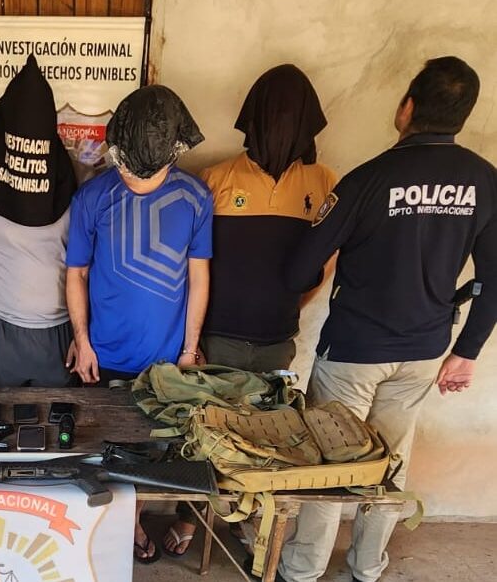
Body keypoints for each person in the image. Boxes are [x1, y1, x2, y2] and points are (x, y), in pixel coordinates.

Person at [276, 57, 496, 582]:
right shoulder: (485, 182)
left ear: (407, 107)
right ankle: (367, 566)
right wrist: (466, 352)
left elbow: (297, 270)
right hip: (424, 350)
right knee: (390, 461)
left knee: (331, 461)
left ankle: (303, 569)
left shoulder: (368, 180)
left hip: (353, 350)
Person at [164, 64, 338, 555]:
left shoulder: (323, 182)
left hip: (277, 339)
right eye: (272, 117)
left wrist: (288, 305)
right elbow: (193, 265)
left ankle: (247, 521)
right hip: (218, 337)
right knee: (205, 435)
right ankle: (191, 518)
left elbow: (325, 262)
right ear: (253, 120)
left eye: (291, 118)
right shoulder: (216, 179)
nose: (280, 129)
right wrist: (193, 340)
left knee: (267, 439)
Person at [65, 84, 213, 564]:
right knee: (105, 454)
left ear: (174, 151)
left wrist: (189, 350)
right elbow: (77, 273)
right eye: (128, 167)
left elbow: (198, 275)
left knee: (153, 455)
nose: (136, 178)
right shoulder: (93, 196)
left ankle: (132, 523)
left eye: (148, 170)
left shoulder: (195, 197)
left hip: (166, 363)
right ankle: (117, 530)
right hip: (104, 355)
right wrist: (82, 340)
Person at [0, 55, 78, 387]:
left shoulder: (73, 182)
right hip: (0, 331)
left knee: (59, 418)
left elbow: (84, 268)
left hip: (59, 330)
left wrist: (83, 334)